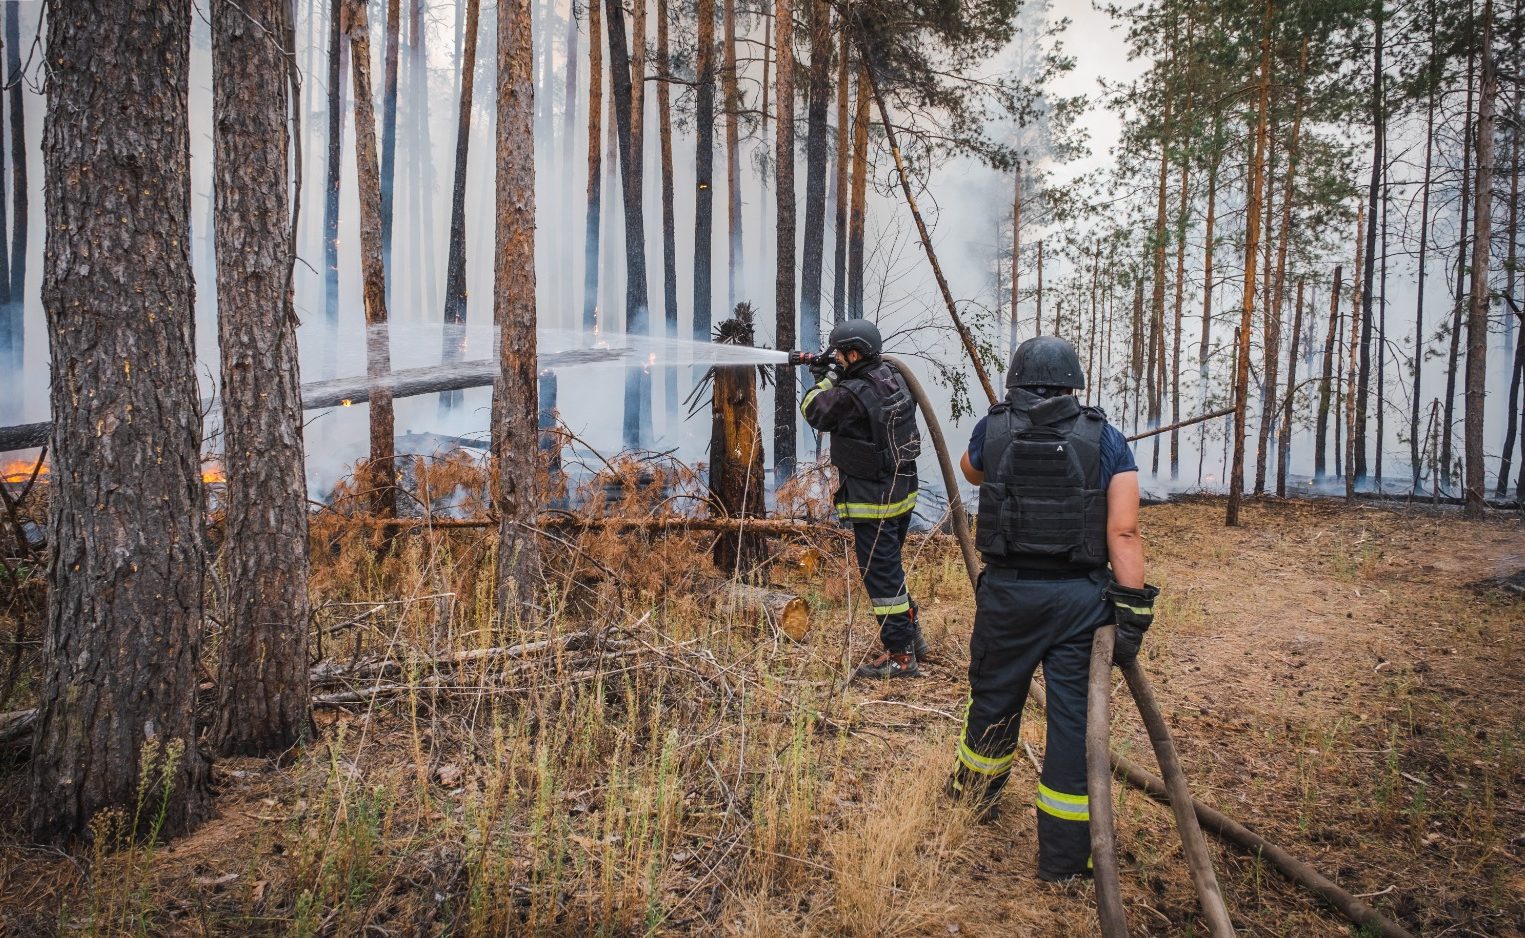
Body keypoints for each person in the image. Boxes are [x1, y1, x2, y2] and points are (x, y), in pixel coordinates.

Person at [946, 336, 1159, 882]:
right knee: (1071, 723)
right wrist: (1132, 610)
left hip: (1008, 597)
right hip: (1079, 603)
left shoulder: (991, 427)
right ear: (1074, 384)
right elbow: (1125, 530)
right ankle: (1065, 860)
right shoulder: (1107, 439)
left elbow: (971, 471)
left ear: (1015, 380)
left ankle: (974, 802)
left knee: (993, 698)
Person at [800, 319, 928, 679]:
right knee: (889, 570)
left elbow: (815, 410)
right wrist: (838, 375)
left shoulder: (853, 393)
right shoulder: (892, 374)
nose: (836, 358)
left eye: (839, 353)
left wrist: (824, 379)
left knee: (881, 577)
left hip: (876, 501)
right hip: (901, 493)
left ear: (854, 354)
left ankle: (901, 656)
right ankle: (910, 633)